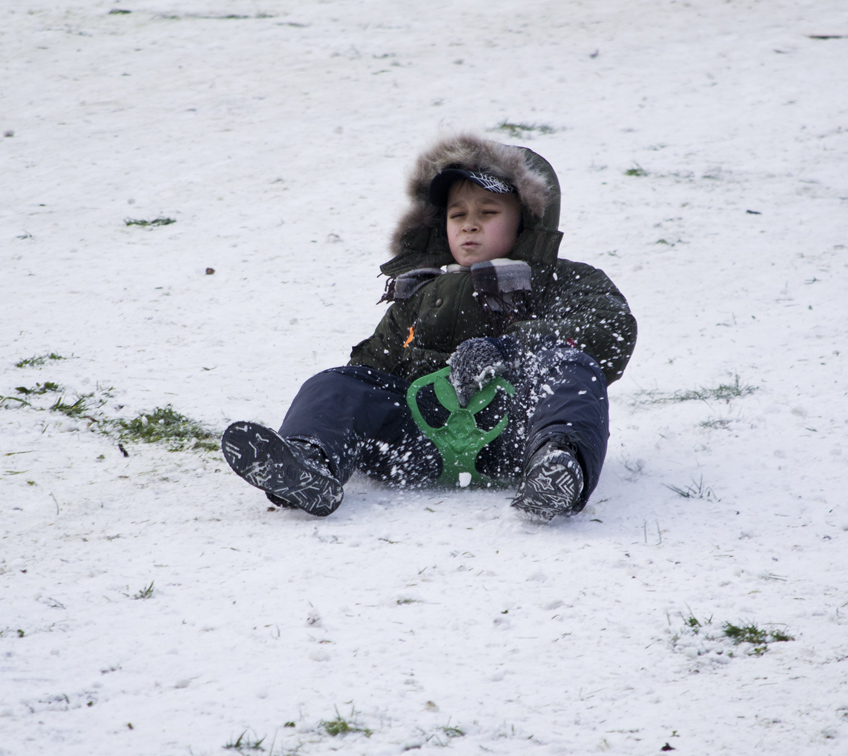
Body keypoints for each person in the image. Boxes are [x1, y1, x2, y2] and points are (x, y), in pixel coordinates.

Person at [222, 133, 637, 520]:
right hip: (419, 445)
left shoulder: (561, 280)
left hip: (515, 437)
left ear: (526, 221)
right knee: (335, 383)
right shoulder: (420, 292)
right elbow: (373, 370)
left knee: (573, 368)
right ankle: (310, 462)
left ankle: (557, 466)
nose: (469, 225)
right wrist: (351, 396)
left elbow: (611, 329)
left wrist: (508, 351)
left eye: (488, 213)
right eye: (458, 215)